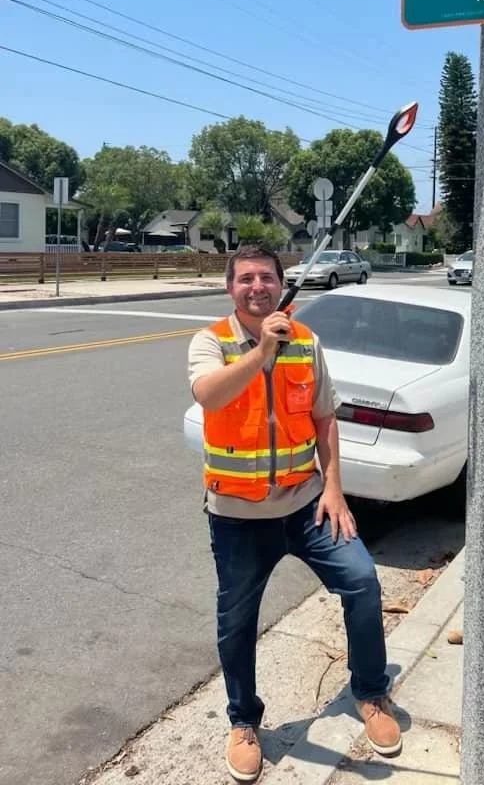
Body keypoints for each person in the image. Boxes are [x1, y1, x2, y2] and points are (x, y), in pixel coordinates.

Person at [187, 243, 400, 782]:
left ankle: (370, 694)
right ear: (230, 287)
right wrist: (259, 352)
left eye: (266, 278)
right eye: (246, 279)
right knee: (236, 621)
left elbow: (325, 418)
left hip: (306, 506)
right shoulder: (209, 342)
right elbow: (210, 396)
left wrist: (333, 489)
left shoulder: (306, 342)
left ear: (282, 284)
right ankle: (243, 722)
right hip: (236, 517)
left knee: (362, 582)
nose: (257, 286)